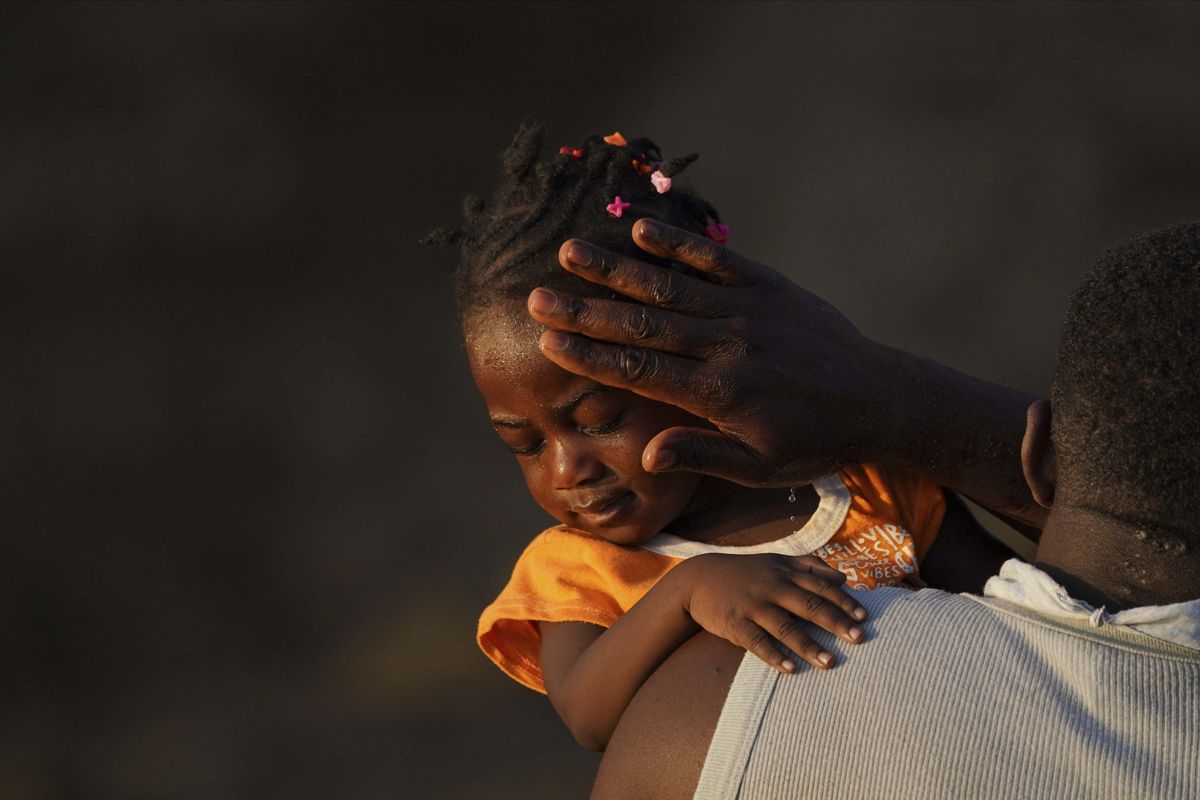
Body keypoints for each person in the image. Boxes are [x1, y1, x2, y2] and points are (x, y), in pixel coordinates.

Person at [423, 122, 1015, 752]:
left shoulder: (871, 484)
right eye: (526, 446)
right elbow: (589, 716)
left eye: (597, 420)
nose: (567, 469)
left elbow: (1022, 617)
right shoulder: (581, 568)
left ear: (691, 359)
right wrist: (685, 591)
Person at [578, 222, 1200, 799]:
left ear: (1035, 455)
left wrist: (892, 400)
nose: (567, 467)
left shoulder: (701, 713)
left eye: (603, 420)